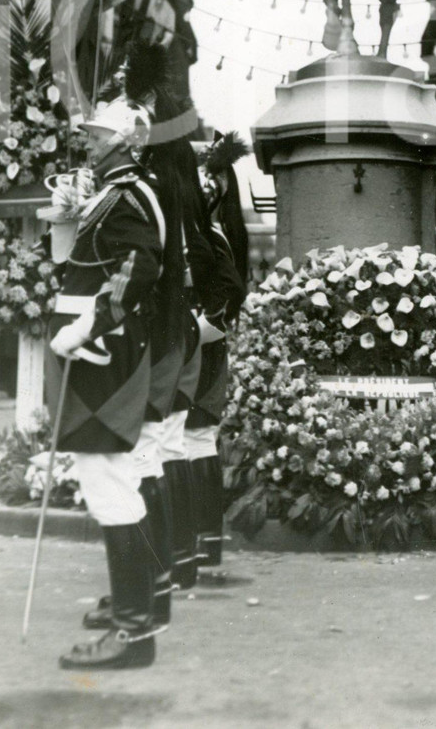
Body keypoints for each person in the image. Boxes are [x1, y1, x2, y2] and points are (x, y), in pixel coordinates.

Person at [47, 94, 170, 670]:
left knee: (107, 477)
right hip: (100, 349)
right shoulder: (115, 192)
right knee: (114, 475)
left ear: (123, 140)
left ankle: (133, 632)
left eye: (97, 136)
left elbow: (139, 267)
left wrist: (87, 327)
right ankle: (137, 622)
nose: (88, 142)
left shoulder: (125, 195)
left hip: (102, 353)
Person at [185, 132, 250, 575]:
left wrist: (206, 327)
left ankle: (198, 541)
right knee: (192, 439)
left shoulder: (210, 233)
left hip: (197, 344)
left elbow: (231, 289)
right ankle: (202, 542)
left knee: (191, 438)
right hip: (196, 340)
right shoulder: (211, 230)